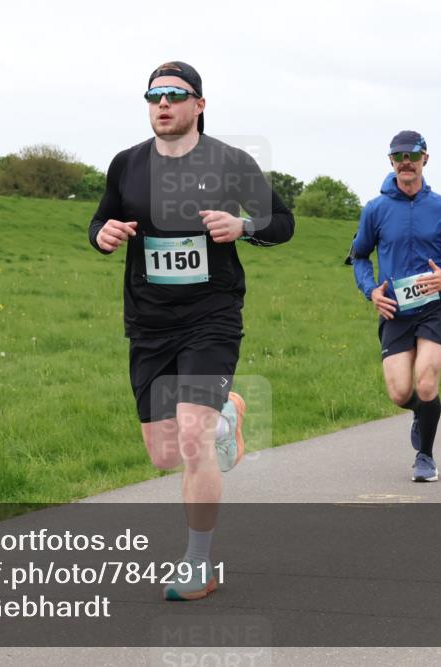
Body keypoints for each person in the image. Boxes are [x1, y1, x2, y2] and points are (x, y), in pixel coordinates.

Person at [88, 61, 294, 600]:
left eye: (176, 95)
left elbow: (283, 222)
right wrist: (102, 234)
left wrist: (243, 226)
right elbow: (101, 220)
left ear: (198, 104)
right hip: (149, 323)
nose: (163, 103)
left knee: (195, 438)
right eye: (154, 94)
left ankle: (198, 565)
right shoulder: (126, 165)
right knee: (163, 454)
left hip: (212, 315)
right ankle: (231, 409)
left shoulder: (231, 162)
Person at [347, 130, 441, 482]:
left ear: (425, 159)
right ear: (391, 161)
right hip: (395, 311)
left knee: (425, 383)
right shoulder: (375, 210)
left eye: (414, 156)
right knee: (400, 392)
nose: (407, 162)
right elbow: (359, 256)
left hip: (435, 307)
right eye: (400, 156)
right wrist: (371, 291)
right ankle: (422, 412)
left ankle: (426, 456)